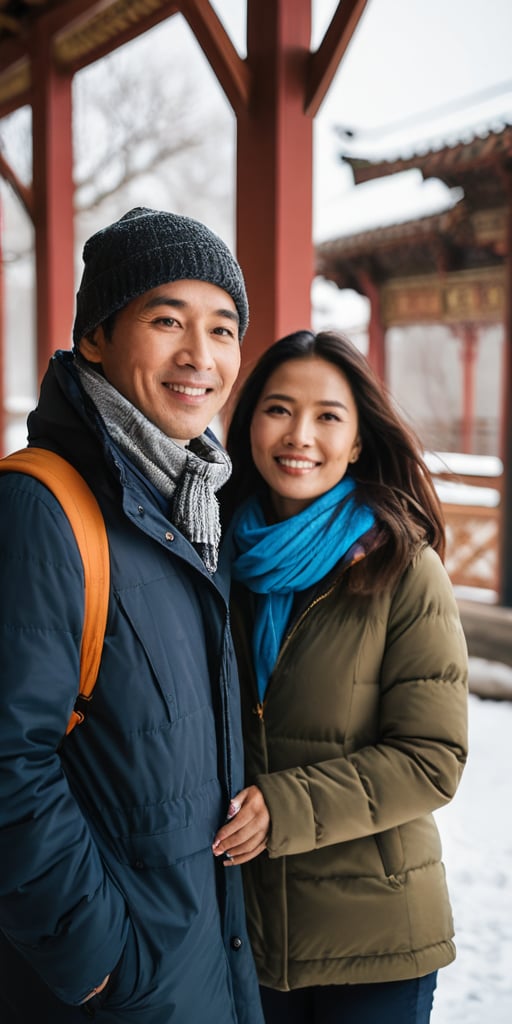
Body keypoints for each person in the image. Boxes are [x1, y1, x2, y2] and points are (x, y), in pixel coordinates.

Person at [0, 207, 265, 1024]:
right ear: (94, 338)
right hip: (115, 987)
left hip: (196, 963)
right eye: (166, 320)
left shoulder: (192, 508)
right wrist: (101, 967)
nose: (201, 356)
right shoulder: (43, 505)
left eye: (222, 329)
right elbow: (11, 765)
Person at [212, 330, 469, 1024]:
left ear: (358, 440)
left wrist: (284, 806)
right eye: (278, 409)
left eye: (328, 416)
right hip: (246, 936)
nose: (300, 435)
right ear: (249, 423)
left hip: (377, 946)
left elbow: (432, 759)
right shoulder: (211, 561)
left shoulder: (404, 568)